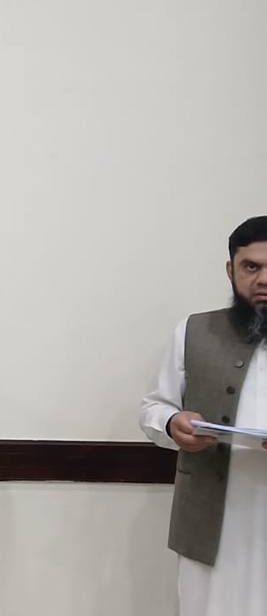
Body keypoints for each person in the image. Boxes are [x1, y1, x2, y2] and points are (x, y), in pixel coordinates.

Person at [140, 215, 267, 615]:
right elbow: (154, 408)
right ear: (231, 270)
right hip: (211, 521)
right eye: (251, 267)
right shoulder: (194, 330)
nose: (263, 279)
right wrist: (172, 424)